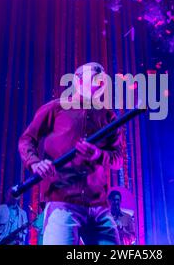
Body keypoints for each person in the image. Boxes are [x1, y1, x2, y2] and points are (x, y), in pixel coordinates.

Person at [18, 62, 126, 245]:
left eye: (103, 79)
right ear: (77, 81)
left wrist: (97, 154)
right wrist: (35, 163)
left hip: (99, 208)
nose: (100, 82)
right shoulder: (56, 108)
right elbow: (27, 139)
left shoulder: (108, 117)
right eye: (95, 77)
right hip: (63, 204)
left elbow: (118, 160)